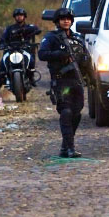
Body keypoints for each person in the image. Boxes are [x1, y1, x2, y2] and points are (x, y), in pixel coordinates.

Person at [38, 8, 92, 158]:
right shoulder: (51, 38)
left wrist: (92, 78)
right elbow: (42, 54)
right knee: (66, 112)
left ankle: (65, 146)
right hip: (61, 81)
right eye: (63, 19)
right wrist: (61, 55)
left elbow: (86, 58)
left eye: (68, 19)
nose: (66, 21)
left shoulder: (77, 38)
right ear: (57, 21)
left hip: (77, 81)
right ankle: (70, 148)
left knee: (77, 114)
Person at [0, 8, 40, 93]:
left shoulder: (29, 27)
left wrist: (24, 30)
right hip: (11, 50)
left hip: (24, 50)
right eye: (17, 15)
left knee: (31, 60)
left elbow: (37, 29)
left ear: (24, 17)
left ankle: (31, 78)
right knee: (2, 64)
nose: (19, 17)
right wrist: (2, 45)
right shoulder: (9, 28)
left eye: (21, 15)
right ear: (14, 17)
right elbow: (3, 38)